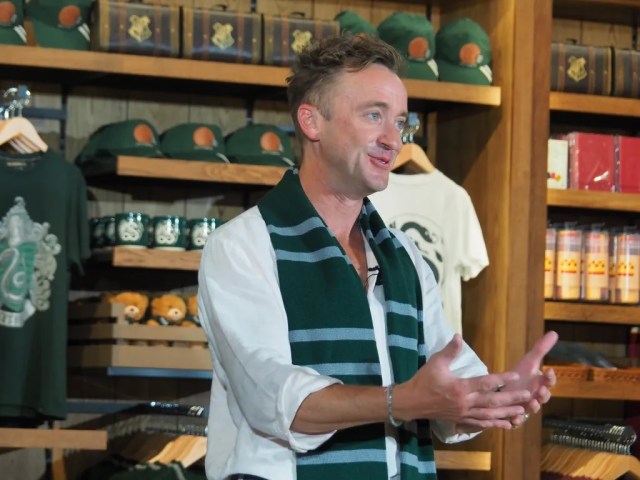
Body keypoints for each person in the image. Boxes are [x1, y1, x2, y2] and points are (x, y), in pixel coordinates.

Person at [198, 34, 558, 480]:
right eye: (374, 116)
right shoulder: (242, 245)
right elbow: (274, 399)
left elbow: (447, 390)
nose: (393, 140)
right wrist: (400, 401)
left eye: (400, 122)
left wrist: (496, 394)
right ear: (312, 121)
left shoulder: (404, 256)